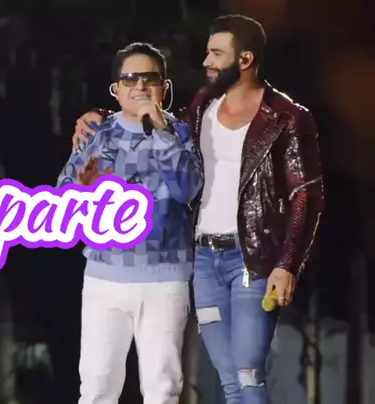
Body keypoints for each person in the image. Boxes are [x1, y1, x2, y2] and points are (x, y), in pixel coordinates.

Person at [71, 15, 324, 404]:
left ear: (245, 59)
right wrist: (100, 122)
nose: (206, 61)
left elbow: (304, 194)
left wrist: (287, 263)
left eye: (216, 54)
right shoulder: (203, 106)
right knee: (227, 378)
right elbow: (147, 125)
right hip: (200, 262)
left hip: (244, 260)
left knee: (245, 373)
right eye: (207, 52)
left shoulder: (284, 117)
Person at [56, 42, 203, 404]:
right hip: (104, 277)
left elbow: (187, 189)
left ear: (164, 88)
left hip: (165, 277)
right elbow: (61, 206)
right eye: (130, 79)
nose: (140, 86)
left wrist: (160, 132)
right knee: (97, 387)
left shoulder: (182, 133)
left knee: (162, 388)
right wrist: (82, 191)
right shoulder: (95, 134)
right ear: (115, 89)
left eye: (149, 78)